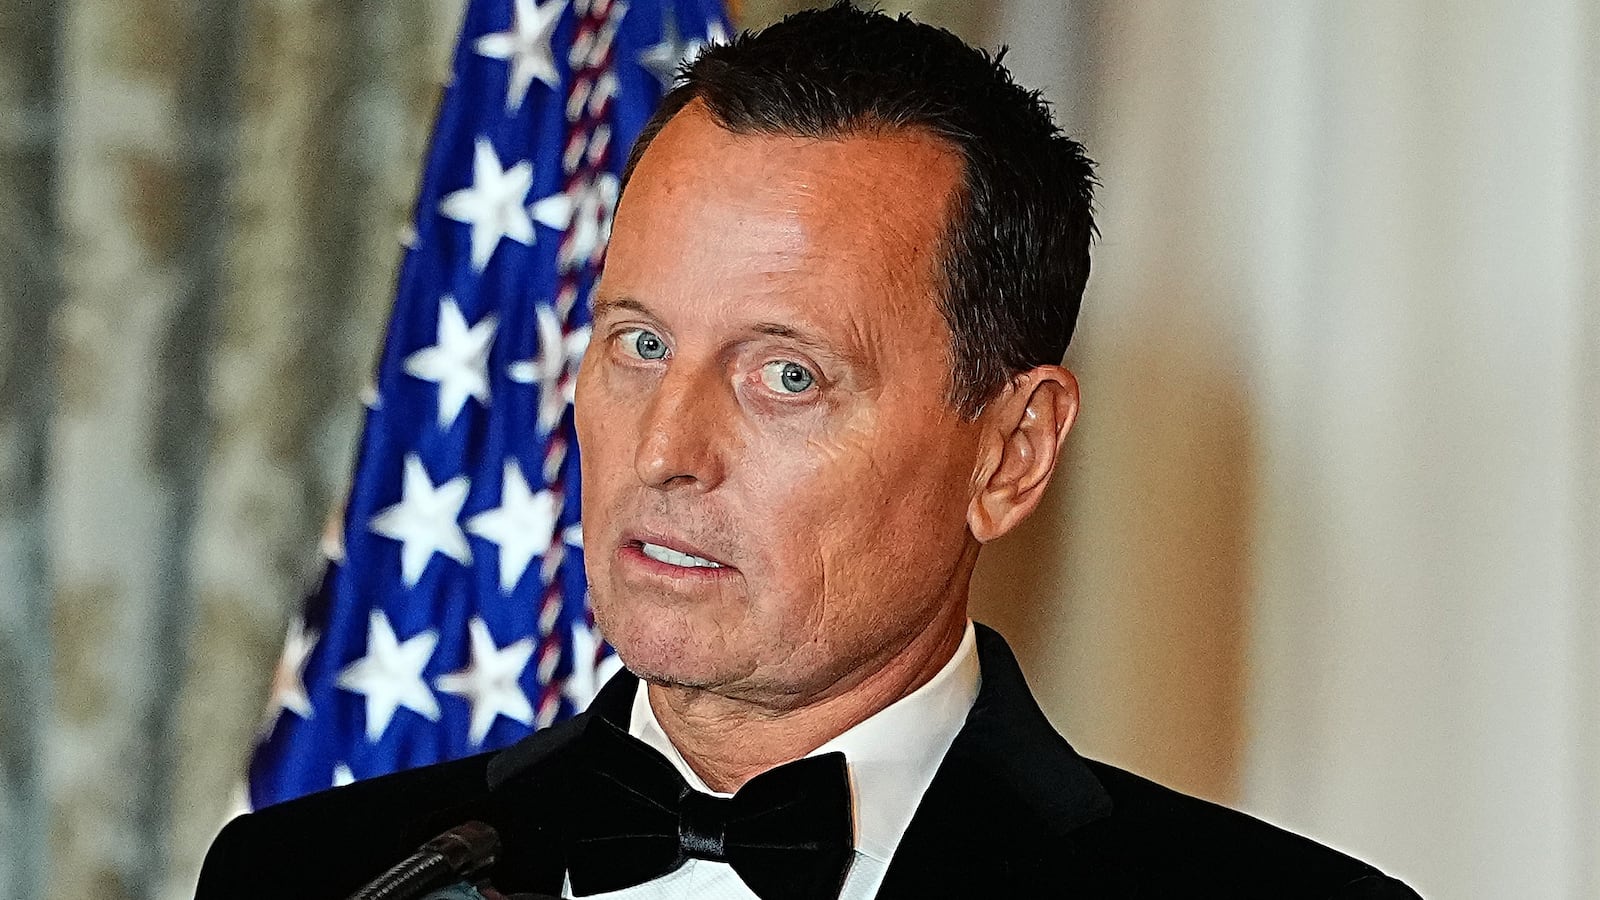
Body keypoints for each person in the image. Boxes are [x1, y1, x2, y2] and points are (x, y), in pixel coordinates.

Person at [198, 4, 1421, 898]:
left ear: (1011, 451)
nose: (667, 449)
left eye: (786, 375)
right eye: (636, 345)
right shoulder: (309, 878)